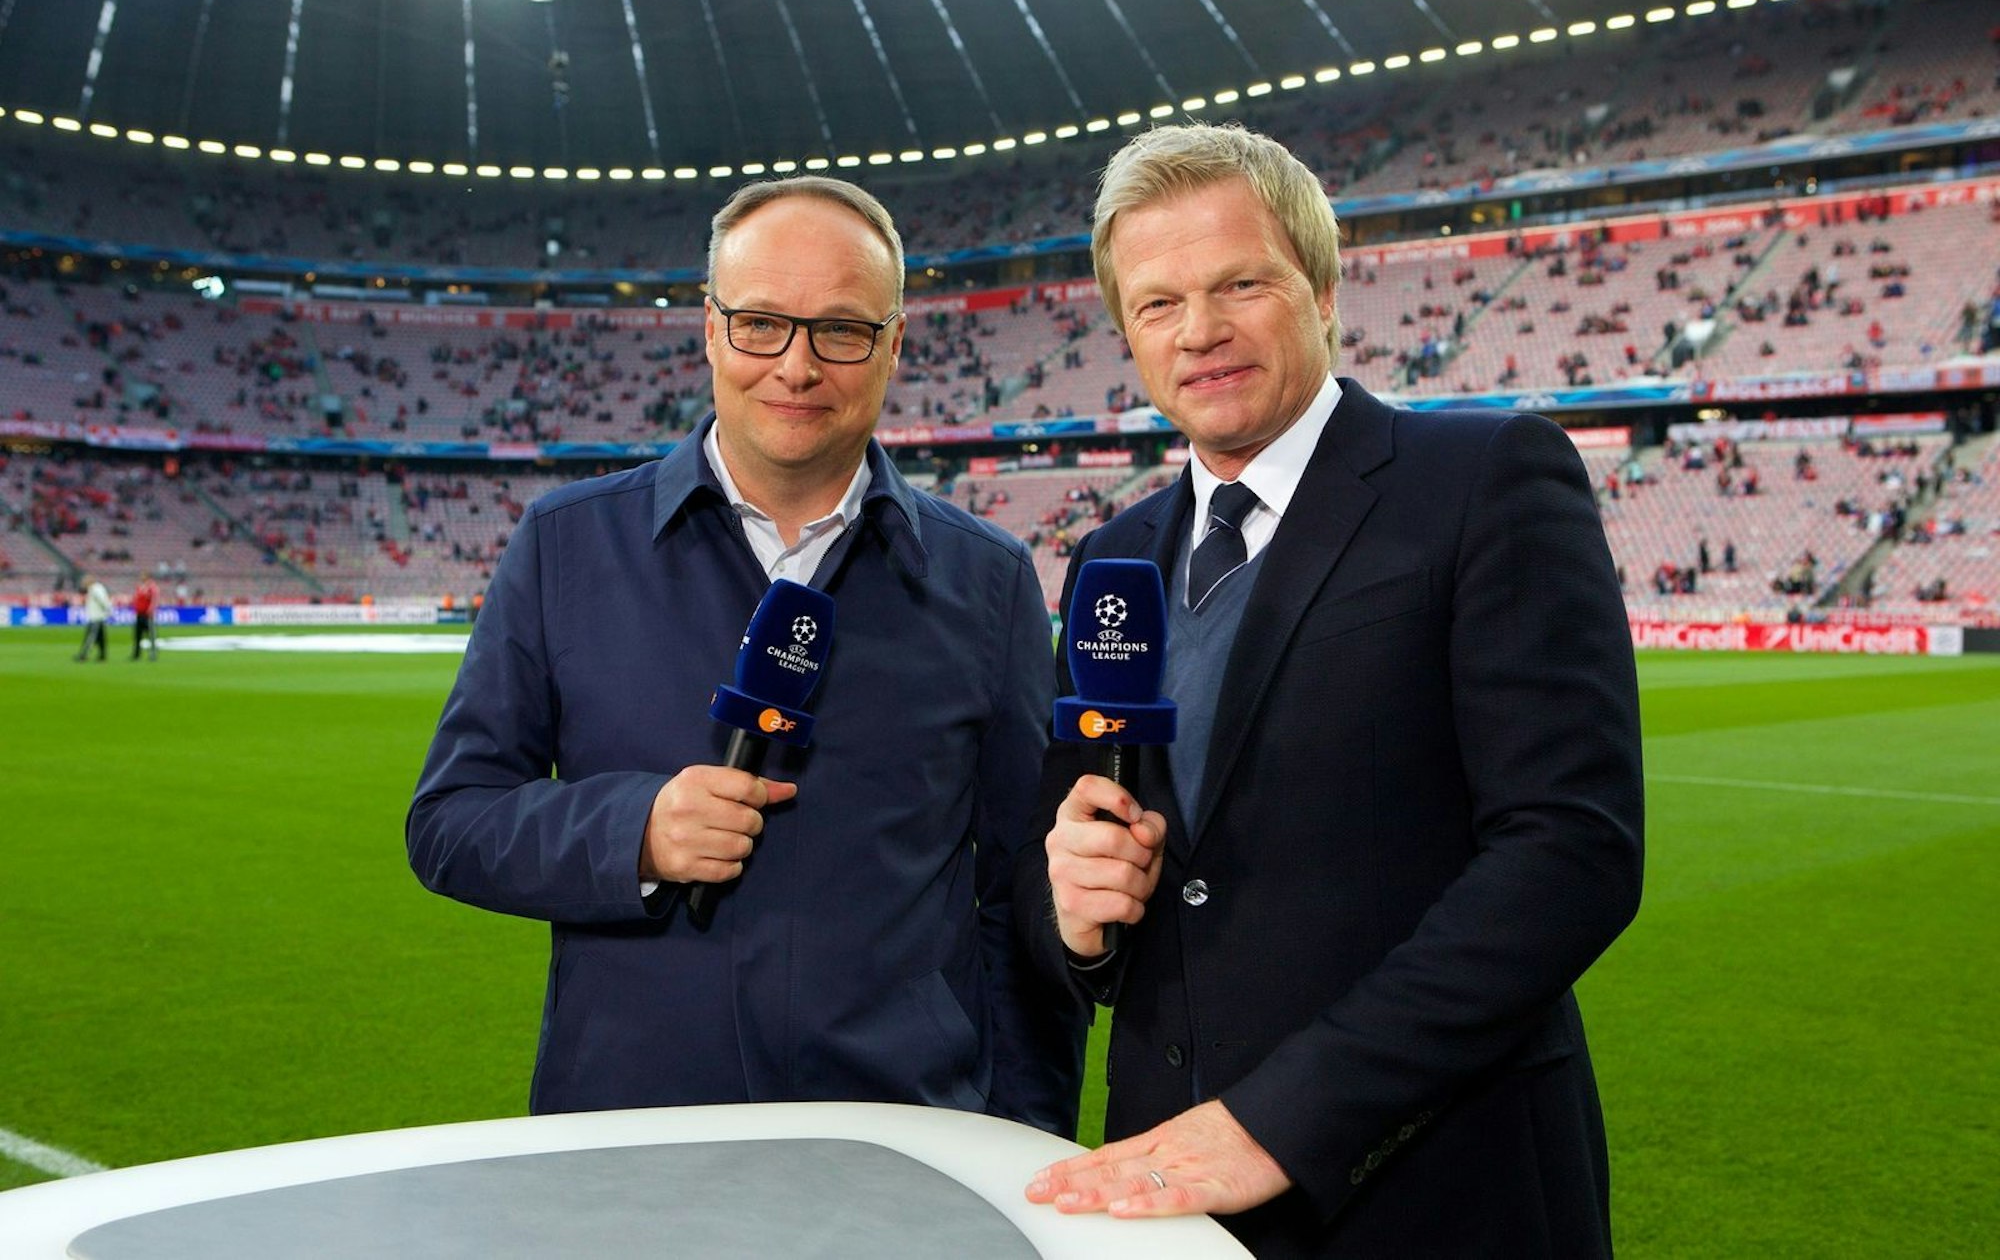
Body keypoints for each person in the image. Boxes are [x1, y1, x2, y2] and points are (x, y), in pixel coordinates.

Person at [1019, 124, 1644, 1256]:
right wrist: (1076, 912)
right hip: (1169, 1187)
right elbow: (1081, 849)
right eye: (1156, 306)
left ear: (1317, 283)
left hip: (1437, 1186)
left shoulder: (1482, 481)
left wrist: (1282, 1118)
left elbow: (1569, 852)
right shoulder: (1111, 556)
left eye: (1237, 284)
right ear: (1124, 333)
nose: (1198, 330)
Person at [408, 177, 1083, 1135]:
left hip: (900, 1142)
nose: (797, 367)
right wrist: (632, 829)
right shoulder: (566, 544)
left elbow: (1023, 895)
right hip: (629, 1134)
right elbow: (450, 822)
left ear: (894, 344)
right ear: (712, 328)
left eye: (841, 330)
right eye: (762, 321)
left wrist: (1028, 1145)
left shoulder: (990, 579)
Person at [74, 574, 112, 662]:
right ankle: (102, 655)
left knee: (90, 637)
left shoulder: (95, 589)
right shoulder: (95, 588)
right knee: (101, 638)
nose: (83, 583)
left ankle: (84, 654)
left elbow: (103, 601)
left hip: (96, 617)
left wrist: (108, 610)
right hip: (98, 616)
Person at [130, 573, 160, 661]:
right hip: (139, 614)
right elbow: (136, 599)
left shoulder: (152, 587)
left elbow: (155, 600)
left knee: (151, 635)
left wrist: (151, 610)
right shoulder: (140, 587)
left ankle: (153, 654)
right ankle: (136, 654)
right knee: (137, 635)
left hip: (147, 614)